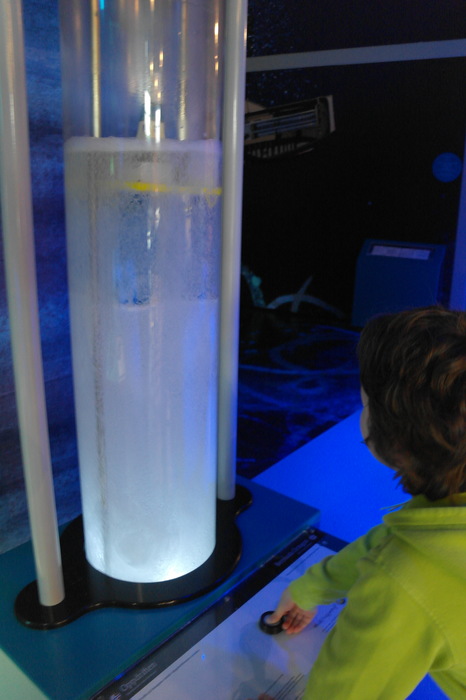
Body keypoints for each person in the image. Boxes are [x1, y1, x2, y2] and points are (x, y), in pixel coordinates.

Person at [254, 306, 466, 699]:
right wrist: (311, 588)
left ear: (396, 444)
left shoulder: (403, 584)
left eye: (365, 405)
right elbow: (404, 543)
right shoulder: (445, 530)